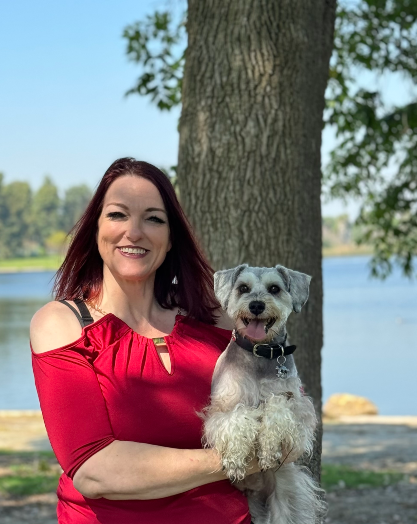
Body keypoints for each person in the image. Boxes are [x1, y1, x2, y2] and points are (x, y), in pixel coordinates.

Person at [30, 158, 298, 524]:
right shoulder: (62, 325)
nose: (134, 232)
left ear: (171, 239)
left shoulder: (219, 321)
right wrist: (236, 458)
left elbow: (286, 416)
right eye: (118, 215)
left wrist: (282, 432)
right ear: (96, 229)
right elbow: (94, 470)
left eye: (154, 218)